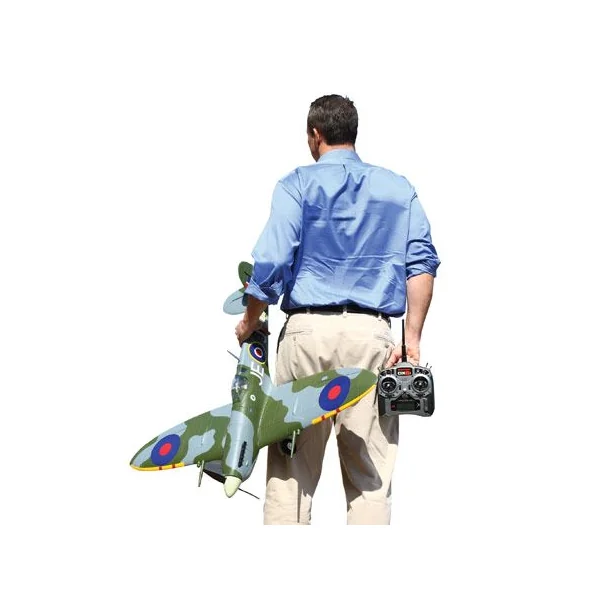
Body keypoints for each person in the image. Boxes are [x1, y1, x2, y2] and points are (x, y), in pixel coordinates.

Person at [234, 94, 440, 525]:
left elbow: (271, 260)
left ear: (315, 135)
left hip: (306, 336)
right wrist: (412, 341)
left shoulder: (296, 185)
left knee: (291, 479)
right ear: (353, 133)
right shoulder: (398, 189)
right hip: (371, 337)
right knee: (370, 480)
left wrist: (250, 320)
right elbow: (421, 263)